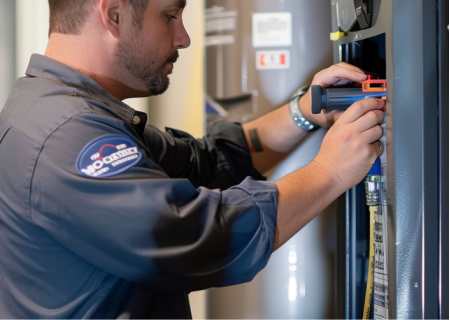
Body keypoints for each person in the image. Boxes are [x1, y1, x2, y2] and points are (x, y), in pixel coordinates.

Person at [0, 0, 385, 319]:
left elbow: (207, 162)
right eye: (170, 15)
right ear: (113, 14)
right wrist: (330, 171)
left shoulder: (70, 111)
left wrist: (304, 111)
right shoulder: (67, 136)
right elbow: (198, 237)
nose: (183, 38)